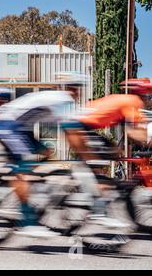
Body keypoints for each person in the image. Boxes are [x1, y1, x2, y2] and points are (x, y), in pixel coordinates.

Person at [0, 77, 84, 238]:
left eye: (77, 89)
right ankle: (27, 221)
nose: (76, 92)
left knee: (47, 152)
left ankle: (13, 179)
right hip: (7, 124)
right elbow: (71, 132)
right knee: (24, 168)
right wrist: (84, 155)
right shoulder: (62, 99)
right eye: (74, 88)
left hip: (20, 128)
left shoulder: (60, 99)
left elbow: (71, 130)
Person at [63, 78, 152, 228]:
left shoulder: (126, 100)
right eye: (149, 95)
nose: (149, 99)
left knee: (114, 153)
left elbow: (132, 131)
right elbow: (133, 133)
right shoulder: (134, 101)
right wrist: (148, 140)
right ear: (143, 94)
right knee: (100, 167)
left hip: (81, 126)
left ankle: (90, 184)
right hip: (80, 127)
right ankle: (98, 212)